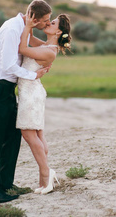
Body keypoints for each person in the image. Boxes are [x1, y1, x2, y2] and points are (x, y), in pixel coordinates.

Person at [0, 0, 52, 205]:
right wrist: (33, 75)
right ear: (34, 17)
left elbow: (31, 43)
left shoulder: (23, 27)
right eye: (45, 21)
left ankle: (6, 185)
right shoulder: (13, 29)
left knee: (12, 137)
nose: (46, 24)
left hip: (8, 90)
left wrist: (53, 45)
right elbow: (9, 65)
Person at [16, 12, 72, 195]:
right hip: (31, 91)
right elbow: (30, 39)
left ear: (58, 32)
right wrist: (30, 22)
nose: (48, 23)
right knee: (38, 135)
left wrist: (26, 27)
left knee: (29, 134)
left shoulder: (49, 51)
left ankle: (45, 174)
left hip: (31, 94)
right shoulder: (46, 45)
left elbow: (23, 49)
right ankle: (45, 178)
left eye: (53, 22)